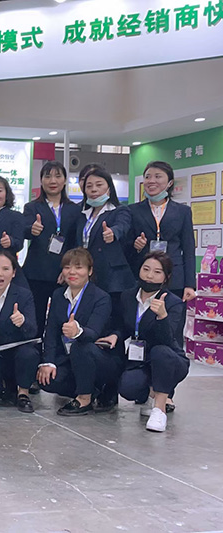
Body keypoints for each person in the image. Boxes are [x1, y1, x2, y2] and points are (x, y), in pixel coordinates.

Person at [97, 252, 188, 432]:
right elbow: (124, 325)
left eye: (157, 272)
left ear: (166, 277)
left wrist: (162, 316)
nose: (149, 275)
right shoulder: (128, 296)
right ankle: (152, 392)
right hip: (140, 359)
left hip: (169, 359)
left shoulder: (173, 303)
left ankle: (159, 409)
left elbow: (168, 339)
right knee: (127, 388)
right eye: (146, 269)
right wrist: (116, 335)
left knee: (160, 351)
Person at [37, 248, 119, 416]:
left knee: (82, 347)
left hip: (98, 357)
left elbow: (93, 333)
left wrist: (78, 332)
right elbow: (51, 331)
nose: (72, 272)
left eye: (78, 267)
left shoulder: (101, 297)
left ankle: (85, 398)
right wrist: (49, 362)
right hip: (69, 358)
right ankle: (92, 390)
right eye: (67, 267)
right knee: (46, 380)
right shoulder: (58, 295)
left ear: (90, 271)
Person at [23, 160, 82, 339]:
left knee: (61, 317)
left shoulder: (75, 210)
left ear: (64, 180)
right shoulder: (32, 207)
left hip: (63, 273)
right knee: (36, 317)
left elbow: (76, 243)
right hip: (36, 272)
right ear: (41, 181)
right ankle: (35, 350)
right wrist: (31, 230)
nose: (52, 180)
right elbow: (24, 231)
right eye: (47, 176)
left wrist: (68, 270)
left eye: (57, 176)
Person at [128, 161, 196, 310]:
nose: (151, 181)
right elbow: (126, 247)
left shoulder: (183, 211)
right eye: (147, 177)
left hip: (174, 278)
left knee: (172, 319)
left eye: (158, 176)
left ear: (170, 182)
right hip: (143, 277)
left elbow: (189, 249)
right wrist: (136, 246)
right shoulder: (133, 210)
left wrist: (190, 284)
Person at [0, 251, 39, 412]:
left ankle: (23, 394)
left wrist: (22, 321)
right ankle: (0, 389)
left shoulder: (24, 295)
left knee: (29, 354)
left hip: (16, 353)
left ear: (13, 273)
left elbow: (33, 331)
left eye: (5, 269)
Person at [77, 166, 134, 308]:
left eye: (99, 185)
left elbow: (122, 225)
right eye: (89, 186)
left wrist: (113, 233)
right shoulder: (81, 213)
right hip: (86, 273)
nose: (93, 190)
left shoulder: (119, 210)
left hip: (111, 277)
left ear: (109, 188)